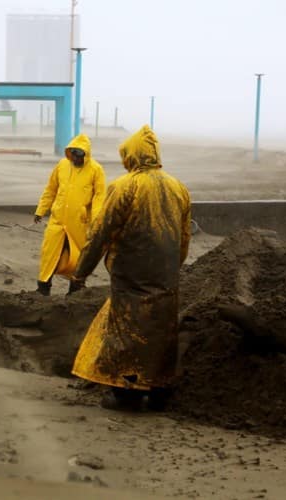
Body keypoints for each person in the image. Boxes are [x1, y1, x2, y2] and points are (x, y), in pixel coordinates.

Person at [71, 125, 191, 410]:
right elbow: (184, 237)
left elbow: (100, 233)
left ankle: (128, 392)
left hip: (131, 275)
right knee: (161, 332)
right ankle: (160, 390)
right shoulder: (179, 188)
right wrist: (171, 267)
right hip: (166, 277)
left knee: (128, 332)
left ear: (131, 156)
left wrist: (81, 272)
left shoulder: (125, 186)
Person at [33, 134, 106, 296]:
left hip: (79, 224)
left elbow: (99, 198)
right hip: (57, 220)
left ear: (86, 154)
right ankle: (43, 288)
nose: (76, 158)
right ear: (69, 153)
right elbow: (51, 189)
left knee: (79, 257)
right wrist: (41, 210)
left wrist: (96, 222)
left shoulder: (96, 170)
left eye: (79, 154)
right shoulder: (62, 165)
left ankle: (75, 290)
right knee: (49, 253)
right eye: (73, 153)